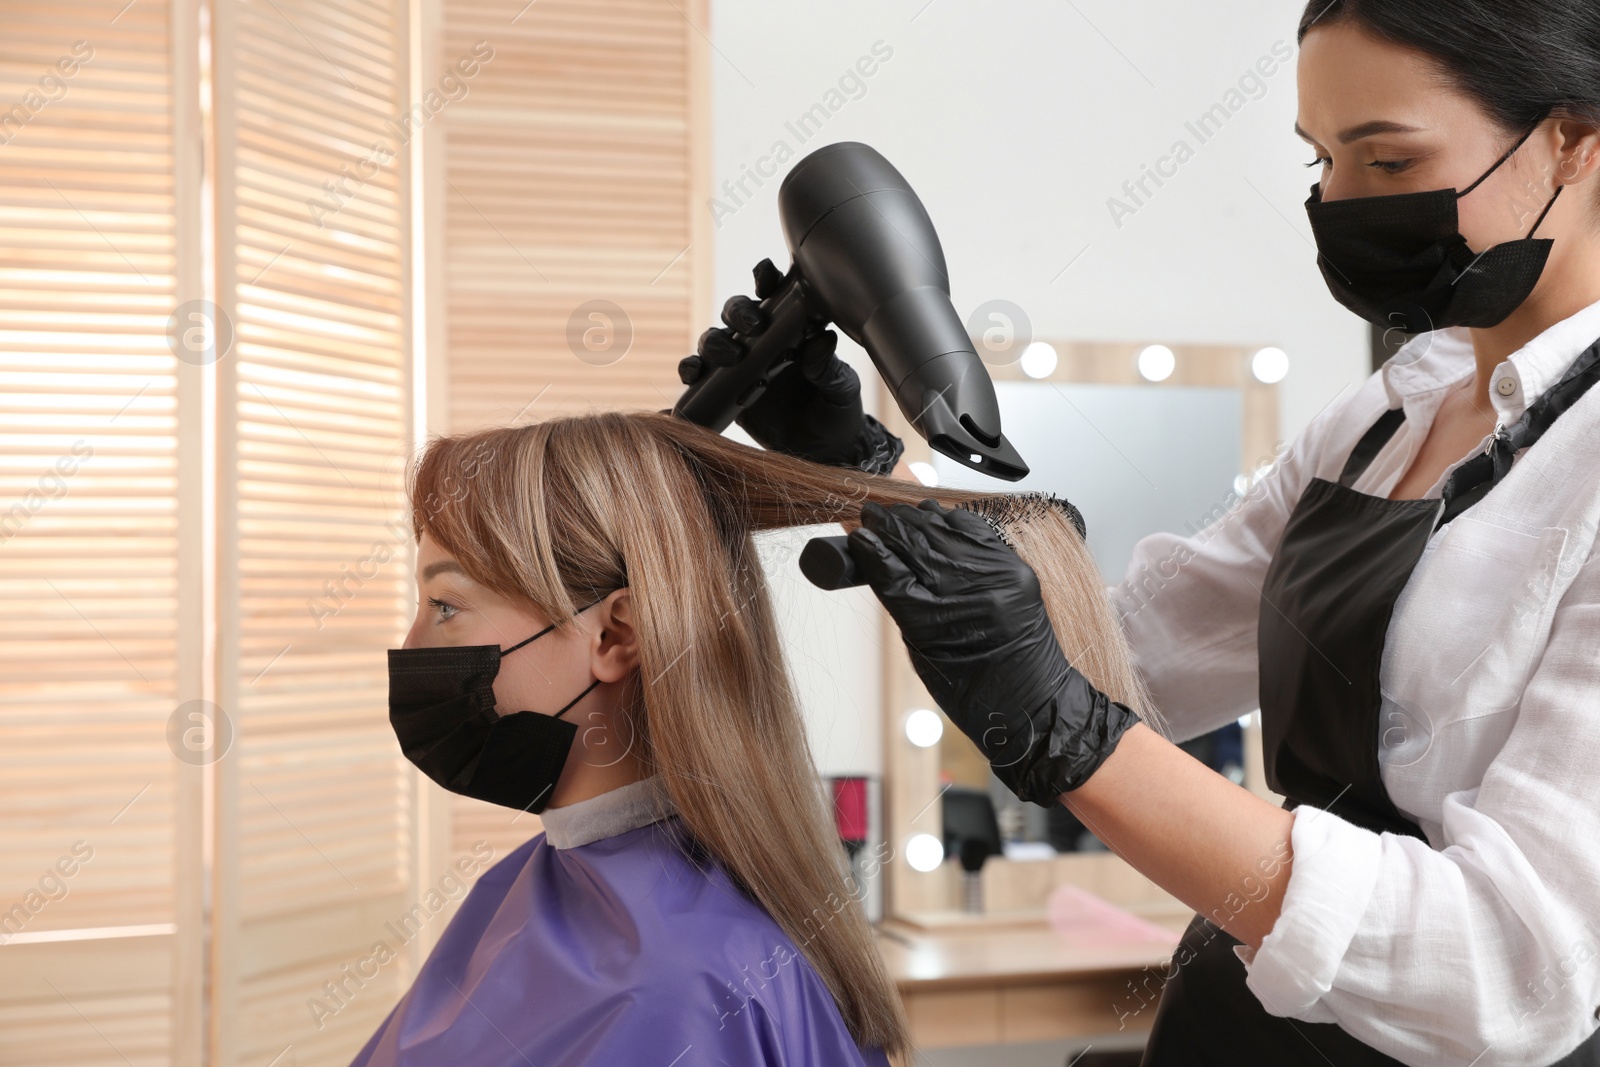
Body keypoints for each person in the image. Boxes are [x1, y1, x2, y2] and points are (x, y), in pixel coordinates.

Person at [678, 2, 1600, 1063]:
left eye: (1386, 162)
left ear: (1572, 139)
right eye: (1318, 162)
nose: (1337, 204)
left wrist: (1072, 737)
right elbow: (1132, 658)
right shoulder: (1394, 411)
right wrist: (867, 473)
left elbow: (1510, 969)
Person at [352, 411, 1147, 1067]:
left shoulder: (688, 985)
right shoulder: (539, 885)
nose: (414, 642)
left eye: (446, 606)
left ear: (614, 632)